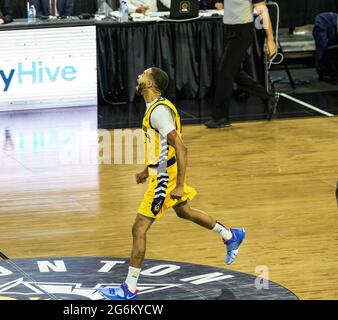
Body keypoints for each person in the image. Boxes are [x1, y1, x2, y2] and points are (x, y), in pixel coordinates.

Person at [98, 68, 245, 300]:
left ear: (151, 84)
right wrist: (147, 169)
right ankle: (230, 234)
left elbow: (181, 147)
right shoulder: (154, 107)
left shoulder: (159, 113)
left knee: (138, 229)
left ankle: (130, 288)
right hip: (163, 171)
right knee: (184, 211)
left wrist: (178, 184)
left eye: (144, 74)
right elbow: (160, 145)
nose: (139, 76)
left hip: (165, 179)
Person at [204, 0, 278, 129]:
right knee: (234, 72)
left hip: (242, 31)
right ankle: (267, 97)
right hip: (228, 29)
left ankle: (220, 118)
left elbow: (263, 11)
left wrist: (270, 38)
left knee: (225, 72)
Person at [313, 12, 338, 81]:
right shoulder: (322, 21)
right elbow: (322, 47)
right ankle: (322, 71)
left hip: (334, 24)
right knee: (322, 46)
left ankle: (332, 70)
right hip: (324, 23)